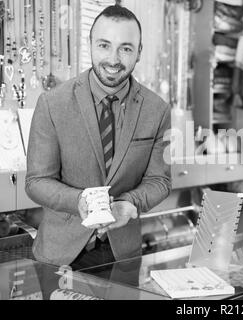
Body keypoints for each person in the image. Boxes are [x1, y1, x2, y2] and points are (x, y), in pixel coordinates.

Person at [25, 5, 171, 270]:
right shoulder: (52, 104)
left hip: (123, 255)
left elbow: (159, 180)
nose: (113, 59)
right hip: (61, 255)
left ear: (139, 52)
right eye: (104, 45)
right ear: (90, 45)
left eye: (126, 48)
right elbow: (37, 181)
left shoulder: (157, 110)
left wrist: (130, 203)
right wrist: (79, 201)